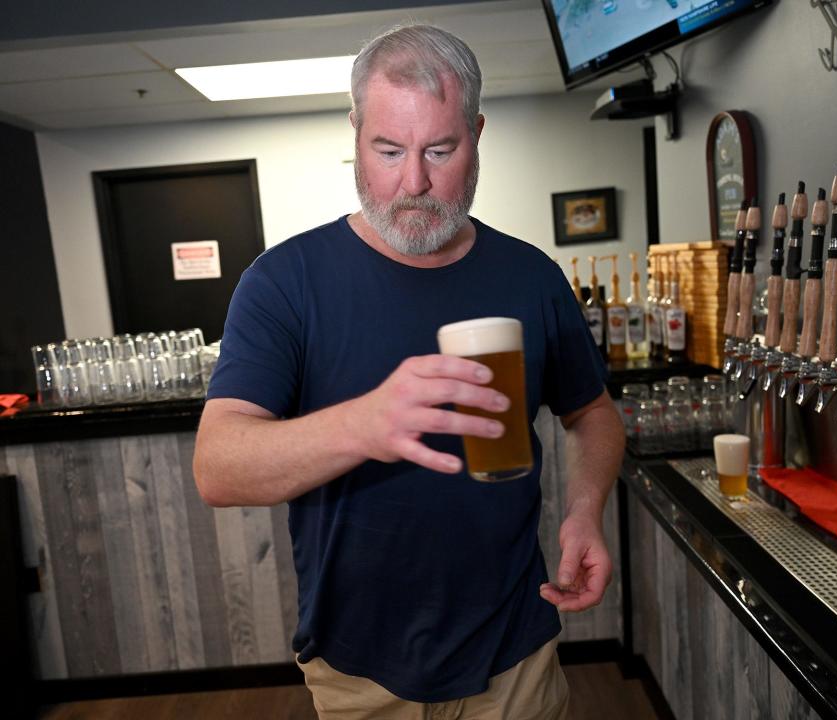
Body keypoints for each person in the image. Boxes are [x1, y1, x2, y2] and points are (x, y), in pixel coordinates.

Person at [194, 23, 624, 719]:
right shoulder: (284, 283)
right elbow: (218, 466)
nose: (414, 182)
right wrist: (365, 424)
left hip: (514, 649)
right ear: (356, 134)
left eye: (441, 150)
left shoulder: (532, 277)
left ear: (477, 135)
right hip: (359, 667)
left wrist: (584, 510)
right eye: (388, 151)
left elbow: (592, 412)